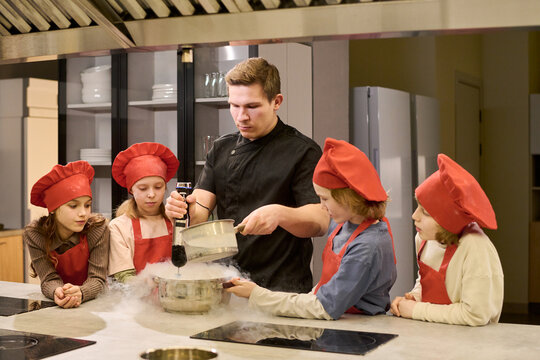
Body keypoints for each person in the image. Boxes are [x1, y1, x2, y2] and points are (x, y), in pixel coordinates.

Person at [165, 57, 325, 293]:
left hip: (279, 291)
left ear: (276, 101)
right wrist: (181, 210)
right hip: (226, 284)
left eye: (252, 106)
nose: (241, 116)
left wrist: (279, 214)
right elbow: (199, 212)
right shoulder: (221, 149)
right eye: (234, 105)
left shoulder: (302, 151)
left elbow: (319, 223)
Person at [225, 138, 397, 320]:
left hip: (361, 328)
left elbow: (325, 307)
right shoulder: (343, 225)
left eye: (325, 198)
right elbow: (323, 290)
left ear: (348, 197)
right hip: (342, 323)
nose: (321, 206)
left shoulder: (368, 245)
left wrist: (257, 295)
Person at [390, 154, 504, 326]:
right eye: (417, 207)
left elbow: (475, 315)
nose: (414, 216)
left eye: (425, 212)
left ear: (447, 222)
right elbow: (424, 282)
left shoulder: (475, 249)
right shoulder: (424, 239)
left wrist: (416, 310)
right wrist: (415, 297)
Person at [24, 161, 109, 308]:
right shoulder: (35, 234)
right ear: (53, 209)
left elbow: (98, 279)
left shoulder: (98, 229)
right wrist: (57, 291)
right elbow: (48, 278)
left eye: (87, 205)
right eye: (73, 206)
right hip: (59, 304)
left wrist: (81, 292)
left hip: (95, 304)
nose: (83, 213)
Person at [108, 142, 179, 283]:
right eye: (143, 188)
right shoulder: (119, 227)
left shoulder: (175, 220)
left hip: (174, 295)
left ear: (165, 187)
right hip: (137, 300)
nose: (151, 194)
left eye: (158, 187)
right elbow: (124, 277)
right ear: (131, 190)